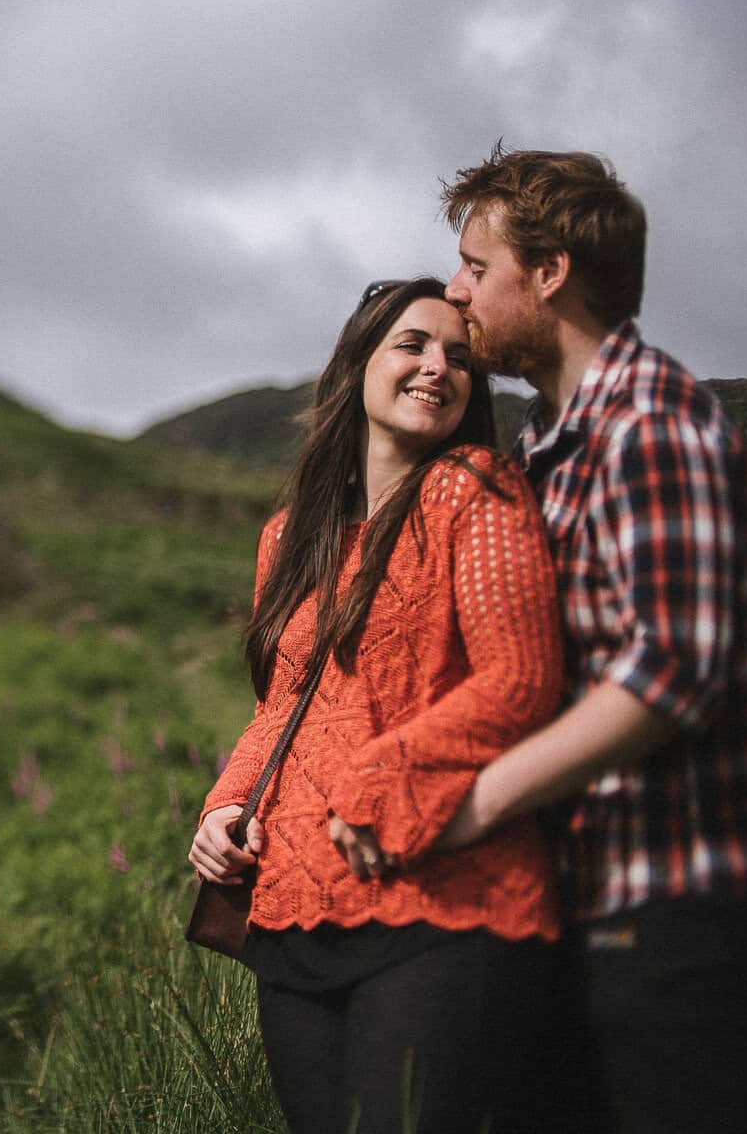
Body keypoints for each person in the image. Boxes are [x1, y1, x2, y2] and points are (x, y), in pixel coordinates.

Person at [414, 146, 747, 1132]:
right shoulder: (540, 452)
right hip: (571, 910)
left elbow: (672, 668)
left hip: (669, 905)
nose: (455, 292)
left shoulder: (650, 425)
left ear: (548, 274)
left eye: (473, 266)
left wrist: (479, 799)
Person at [189, 276, 566, 1134]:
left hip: (441, 898)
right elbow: (285, 703)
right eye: (415, 344)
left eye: (461, 358)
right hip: (293, 910)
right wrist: (225, 806)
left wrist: (383, 771)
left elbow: (522, 681)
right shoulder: (290, 536)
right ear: (359, 363)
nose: (440, 367)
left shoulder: (475, 489)